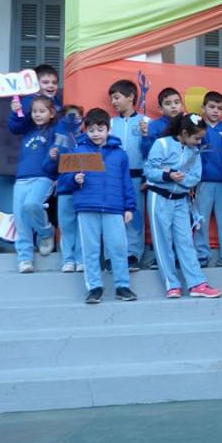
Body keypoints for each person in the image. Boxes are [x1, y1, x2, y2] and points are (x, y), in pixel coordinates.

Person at [61, 108, 138, 304]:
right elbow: (64, 180)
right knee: (90, 249)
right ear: (85, 131)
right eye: (91, 130)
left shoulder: (120, 154)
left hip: (114, 208)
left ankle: (122, 286)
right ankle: (94, 287)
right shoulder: (77, 151)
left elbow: (126, 182)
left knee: (118, 247)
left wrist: (129, 207)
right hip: (86, 207)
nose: (96, 134)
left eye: (100, 129)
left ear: (108, 129)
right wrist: (74, 179)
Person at [144, 113, 222, 299]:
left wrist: (176, 177)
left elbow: (195, 177)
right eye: (196, 138)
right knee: (163, 242)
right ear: (185, 133)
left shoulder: (194, 151)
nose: (198, 142)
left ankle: (197, 284)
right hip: (158, 198)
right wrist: (168, 175)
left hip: (181, 200)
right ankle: (172, 285)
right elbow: (149, 171)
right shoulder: (162, 144)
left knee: (186, 241)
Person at [8, 95, 59, 273]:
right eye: (35, 111)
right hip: (22, 178)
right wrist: (16, 112)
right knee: (20, 218)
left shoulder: (55, 129)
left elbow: (64, 148)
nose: (37, 114)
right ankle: (25, 258)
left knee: (31, 205)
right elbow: (14, 127)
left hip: (44, 177)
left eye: (42, 111)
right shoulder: (28, 127)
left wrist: (54, 158)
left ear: (51, 113)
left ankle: (46, 232)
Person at [194, 91, 222, 269]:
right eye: (211, 107)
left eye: (219, 108)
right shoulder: (198, 129)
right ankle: (201, 254)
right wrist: (192, 181)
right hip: (203, 182)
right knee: (201, 219)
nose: (215, 111)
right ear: (203, 108)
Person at [109, 79, 148, 270]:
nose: (113, 102)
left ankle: (133, 254)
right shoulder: (110, 123)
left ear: (131, 97)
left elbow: (151, 153)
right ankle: (113, 255)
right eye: (112, 99)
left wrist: (147, 177)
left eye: (117, 97)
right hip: (113, 178)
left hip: (136, 177)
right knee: (113, 217)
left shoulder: (145, 122)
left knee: (134, 215)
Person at [51, 104, 84, 273]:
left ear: (82, 119)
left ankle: (81, 259)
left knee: (82, 225)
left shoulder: (87, 139)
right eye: (69, 117)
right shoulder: (58, 140)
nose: (73, 120)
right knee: (66, 226)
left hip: (84, 189)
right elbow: (48, 167)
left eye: (76, 116)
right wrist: (52, 157)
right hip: (64, 189)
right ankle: (68, 259)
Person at [9, 63, 63, 132]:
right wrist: (16, 113)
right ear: (35, 84)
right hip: (35, 138)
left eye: (54, 83)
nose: (51, 85)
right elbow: (14, 128)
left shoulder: (56, 100)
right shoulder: (29, 102)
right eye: (45, 82)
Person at [140, 87, 183, 159]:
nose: (173, 106)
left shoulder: (187, 123)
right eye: (168, 104)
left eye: (176, 102)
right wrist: (145, 136)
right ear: (161, 109)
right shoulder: (154, 126)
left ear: (182, 105)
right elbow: (147, 153)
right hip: (162, 164)